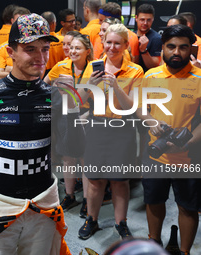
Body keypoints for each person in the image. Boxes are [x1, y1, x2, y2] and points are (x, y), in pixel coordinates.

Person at [0, 13, 84, 255]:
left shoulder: (56, 95)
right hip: (0, 204)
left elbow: (74, 150)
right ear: (11, 51)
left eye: (45, 49)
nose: (41, 58)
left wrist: (74, 105)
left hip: (45, 202)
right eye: (30, 49)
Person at [136, 24, 201, 255]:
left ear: (191, 49)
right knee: (154, 201)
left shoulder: (200, 78)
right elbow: (142, 109)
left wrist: (186, 142)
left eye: (183, 47)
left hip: (189, 157)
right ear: (162, 47)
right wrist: (153, 123)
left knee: (188, 207)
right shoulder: (151, 75)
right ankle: (153, 244)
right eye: (171, 46)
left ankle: (185, 251)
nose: (177, 52)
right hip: (156, 154)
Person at [76, 24, 143, 240]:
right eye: (108, 42)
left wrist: (116, 86)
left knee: (119, 180)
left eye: (117, 43)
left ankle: (120, 223)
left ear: (125, 45)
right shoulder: (93, 67)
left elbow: (133, 107)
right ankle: (92, 220)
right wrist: (89, 85)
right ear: (102, 43)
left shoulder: (135, 71)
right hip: (97, 127)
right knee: (95, 180)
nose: (112, 47)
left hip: (122, 128)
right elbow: (79, 101)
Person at [44, 33, 93, 218]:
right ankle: (69, 195)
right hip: (65, 116)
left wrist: (89, 113)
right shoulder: (61, 66)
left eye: (77, 48)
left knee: (84, 159)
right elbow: (44, 85)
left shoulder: (93, 70)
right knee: (67, 157)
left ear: (87, 51)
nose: (72, 51)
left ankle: (88, 200)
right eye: (71, 47)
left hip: (86, 115)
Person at [0, 6, 30, 81]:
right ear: (12, 21)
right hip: (10, 90)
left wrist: (10, 69)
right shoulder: (2, 47)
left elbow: (35, 74)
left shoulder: (37, 46)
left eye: (23, 22)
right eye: (17, 22)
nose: (20, 25)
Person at [135, 4, 162, 72]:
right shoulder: (131, 36)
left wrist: (144, 51)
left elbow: (154, 66)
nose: (145, 23)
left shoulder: (157, 38)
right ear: (136, 18)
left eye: (148, 20)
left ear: (153, 20)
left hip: (147, 78)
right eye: (142, 19)